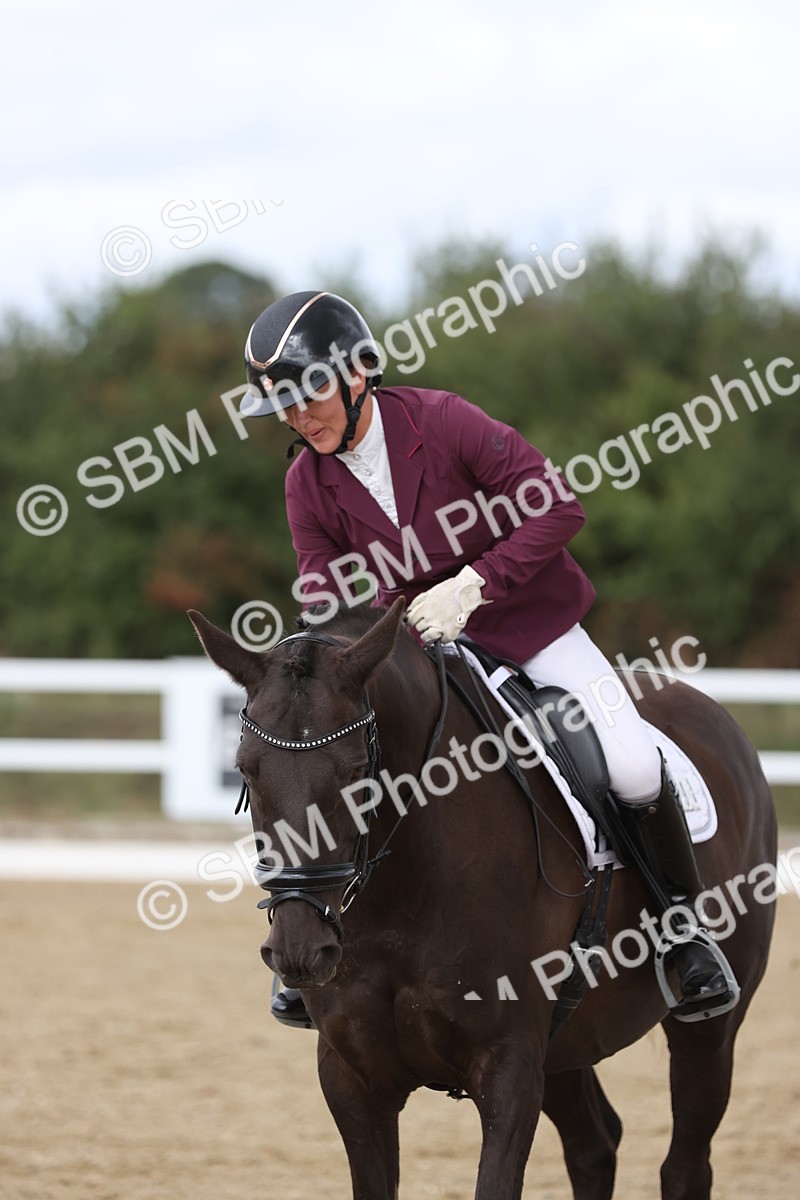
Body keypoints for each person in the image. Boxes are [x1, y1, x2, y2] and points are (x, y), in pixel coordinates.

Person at [239, 289, 735, 1027]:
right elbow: (323, 590)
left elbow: (558, 506)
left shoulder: (441, 422)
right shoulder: (305, 481)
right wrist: (334, 648)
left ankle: (683, 935)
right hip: (415, 651)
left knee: (630, 763)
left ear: (358, 374)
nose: (298, 415)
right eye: (281, 405)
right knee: (322, 763)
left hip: (530, 625)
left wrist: (475, 585)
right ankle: (309, 942)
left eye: (309, 392)